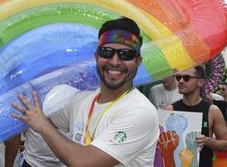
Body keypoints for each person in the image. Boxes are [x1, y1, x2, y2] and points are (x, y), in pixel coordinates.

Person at [11, 17, 159, 166]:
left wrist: (42, 125)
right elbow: (39, 117)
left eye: (125, 54)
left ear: (138, 62)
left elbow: (83, 163)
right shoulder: (81, 100)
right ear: (96, 57)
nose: (114, 62)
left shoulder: (140, 111)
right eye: (107, 52)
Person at [166, 65, 227, 167]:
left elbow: (226, 144)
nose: (181, 81)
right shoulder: (170, 110)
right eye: (178, 77)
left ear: (200, 82)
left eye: (186, 78)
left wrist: (207, 141)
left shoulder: (212, 110)